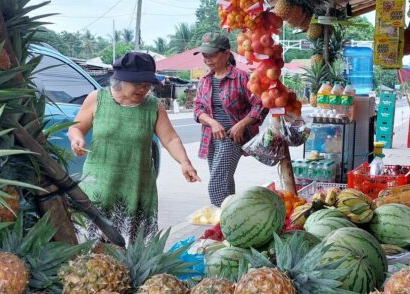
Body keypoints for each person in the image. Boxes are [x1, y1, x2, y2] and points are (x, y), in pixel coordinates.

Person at [68, 51, 201, 245]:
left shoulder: (154, 106)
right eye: (138, 83)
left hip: (136, 189)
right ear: (120, 80)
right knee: (93, 251)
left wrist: (185, 163)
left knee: (130, 251)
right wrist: (76, 139)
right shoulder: (98, 98)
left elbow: (170, 138)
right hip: (98, 188)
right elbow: (76, 127)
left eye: (147, 84)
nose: (144, 88)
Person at [193, 32, 266, 207]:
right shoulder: (204, 80)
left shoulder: (241, 77)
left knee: (217, 184)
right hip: (210, 137)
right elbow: (197, 109)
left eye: (212, 54)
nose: (207, 59)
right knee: (224, 179)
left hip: (231, 137)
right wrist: (212, 122)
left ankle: (220, 217)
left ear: (226, 53)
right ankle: (231, 217)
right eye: (205, 55)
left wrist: (241, 124)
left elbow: (261, 104)